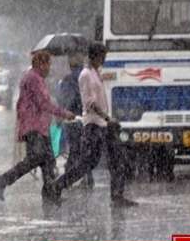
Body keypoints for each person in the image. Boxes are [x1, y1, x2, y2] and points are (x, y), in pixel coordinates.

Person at [46, 42, 138, 208]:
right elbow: (90, 103)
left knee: (117, 159)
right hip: (93, 125)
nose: (104, 60)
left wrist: (108, 119)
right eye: (102, 57)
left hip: (103, 124)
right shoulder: (86, 75)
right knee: (86, 164)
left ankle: (117, 195)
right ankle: (56, 186)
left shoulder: (96, 73)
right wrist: (107, 118)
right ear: (95, 56)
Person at [0, 51, 75, 201]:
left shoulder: (36, 78)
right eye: (48, 65)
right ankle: (3, 180)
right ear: (40, 64)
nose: (49, 69)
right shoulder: (33, 79)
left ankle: (50, 194)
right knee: (35, 158)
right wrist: (63, 113)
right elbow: (43, 103)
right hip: (34, 127)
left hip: (41, 127)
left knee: (48, 161)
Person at [56, 52, 93, 189]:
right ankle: (88, 178)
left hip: (73, 119)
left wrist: (64, 112)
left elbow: (66, 99)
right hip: (87, 118)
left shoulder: (68, 79)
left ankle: (68, 179)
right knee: (86, 150)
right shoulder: (87, 76)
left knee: (74, 150)